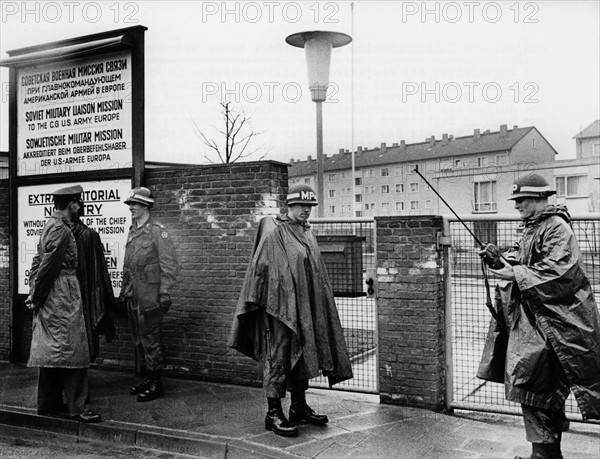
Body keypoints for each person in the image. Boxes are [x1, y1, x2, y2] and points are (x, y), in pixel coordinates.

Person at [477, 173, 600, 459]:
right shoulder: (535, 227)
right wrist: (498, 260)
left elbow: (560, 271)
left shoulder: (555, 228)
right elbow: (525, 262)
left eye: (522, 199)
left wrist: (515, 272)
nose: (517, 205)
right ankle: (545, 454)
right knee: (538, 390)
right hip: (539, 323)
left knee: (535, 388)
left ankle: (544, 455)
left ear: (540, 198)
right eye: (516, 200)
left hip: (555, 326)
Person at [229, 183, 353, 437]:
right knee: (280, 355)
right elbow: (263, 272)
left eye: (309, 206)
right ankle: (273, 413)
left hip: (304, 308)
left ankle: (298, 406)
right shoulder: (276, 233)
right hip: (279, 310)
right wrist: (277, 303)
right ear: (290, 205)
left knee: (304, 352)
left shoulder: (307, 233)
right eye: (301, 206)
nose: (306, 210)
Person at [25, 185, 101, 423]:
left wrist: (33, 291)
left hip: (51, 294)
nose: (79, 206)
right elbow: (47, 266)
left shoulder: (50, 225)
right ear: (71, 205)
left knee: (51, 351)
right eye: (78, 203)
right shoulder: (63, 230)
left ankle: (48, 403)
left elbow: (38, 262)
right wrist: (36, 296)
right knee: (74, 349)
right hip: (62, 294)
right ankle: (78, 407)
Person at [121, 186, 178, 402]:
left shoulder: (157, 231)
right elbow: (129, 265)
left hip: (150, 296)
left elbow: (169, 265)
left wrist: (163, 294)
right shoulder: (133, 230)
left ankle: (157, 383)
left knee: (152, 338)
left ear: (145, 206)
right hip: (134, 295)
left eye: (134, 204)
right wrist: (124, 290)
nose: (131, 208)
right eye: (130, 204)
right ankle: (149, 377)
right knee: (140, 339)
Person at [71, 195, 116, 365]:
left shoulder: (89, 236)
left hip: (83, 294)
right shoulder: (63, 234)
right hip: (76, 295)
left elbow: (99, 273)